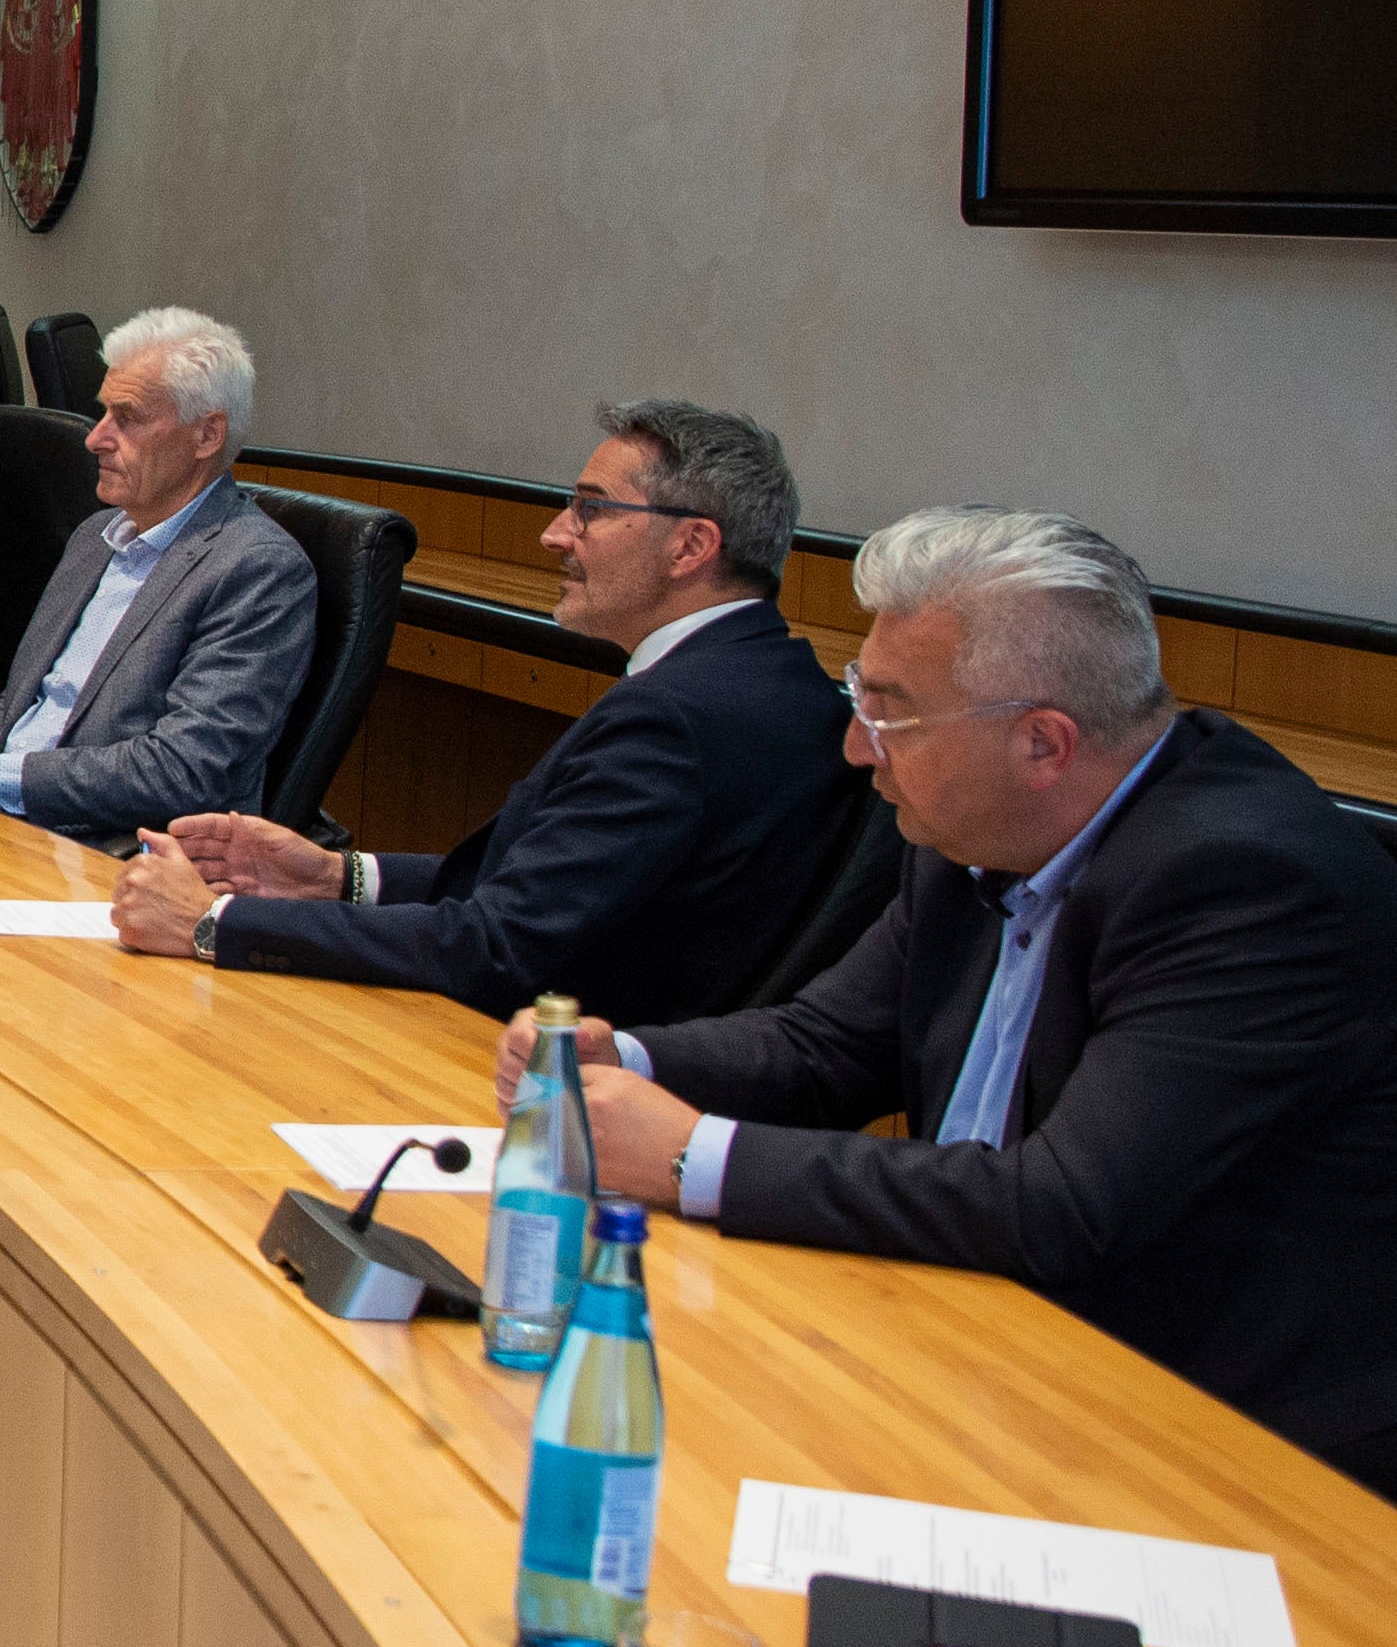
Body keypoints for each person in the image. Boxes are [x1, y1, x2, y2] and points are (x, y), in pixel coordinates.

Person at [515, 506, 1397, 1486]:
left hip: (1221, 1447)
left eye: (889, 712)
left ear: (1042, 745)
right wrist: (619, 1062)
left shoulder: (1243, 884)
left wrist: (686, 1155)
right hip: (983, 1353)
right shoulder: (974, 824)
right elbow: (824, 1046)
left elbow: (1059, 1207)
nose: (857, 748)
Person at [113, 399, 852, 1017]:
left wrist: (215, 922)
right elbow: (544, 887)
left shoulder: (678, 720)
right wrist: (335, 878)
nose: (555, 533)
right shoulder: (771, 678)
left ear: (692, 545)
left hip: (551, 1075)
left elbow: (494, 948)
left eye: (590, 510)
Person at [0, 305, 310, 842]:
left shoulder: (258, 569)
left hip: (103, 851)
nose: (95, 438)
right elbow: (15, 712)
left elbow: (183, 770)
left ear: (207, 436)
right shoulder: (96, 537)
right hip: (0, 817)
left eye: (126, 418)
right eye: (102, 413)